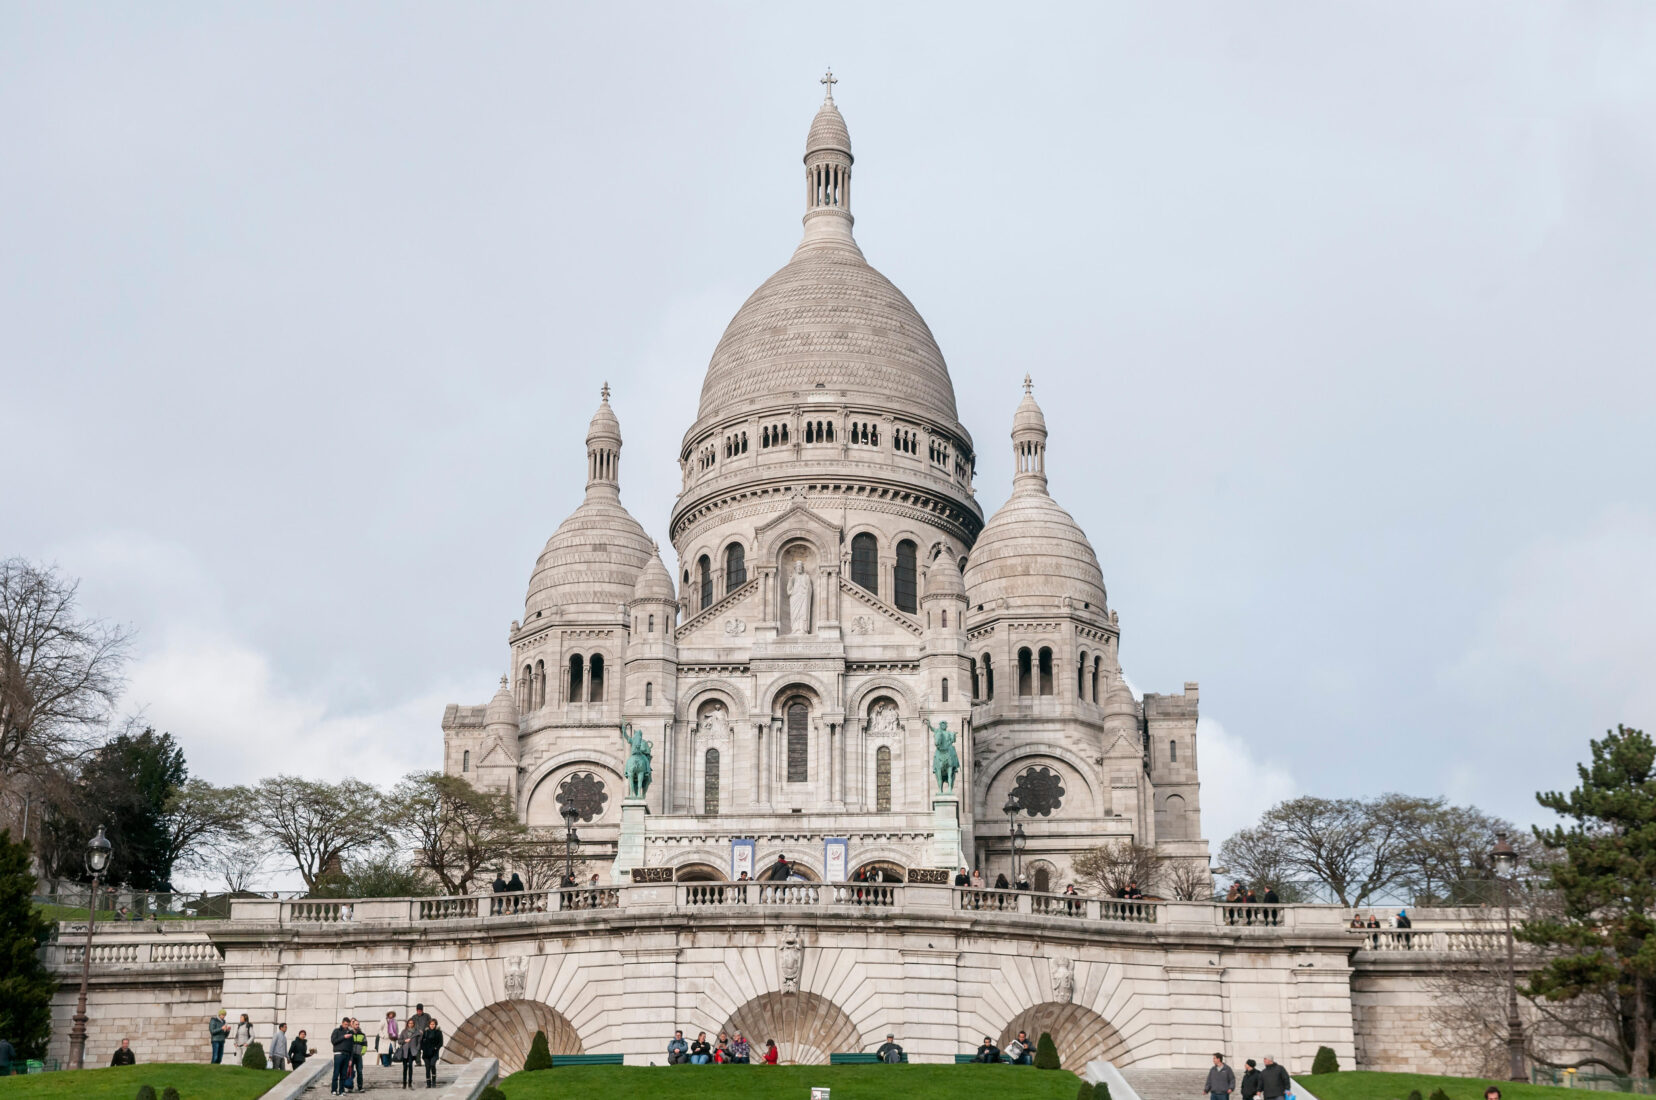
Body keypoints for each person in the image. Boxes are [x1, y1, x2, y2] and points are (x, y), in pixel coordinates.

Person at [330, 1016, 355, 1095]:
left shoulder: (350, 1033)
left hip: (347, 1055)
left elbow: (352, 1047)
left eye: (347, 1025)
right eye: (345, 1024)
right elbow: (333, 1041)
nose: (346, 1026)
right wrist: (343, 1037)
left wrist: (351, 1059)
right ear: (342, 1023)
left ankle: (342, 1091)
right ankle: (334, 1090)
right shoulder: (336, 1031)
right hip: (338, 1054)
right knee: (336, 1072)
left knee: (343, 1074)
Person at [420, 1018, 444, 1087]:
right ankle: (428, 1083)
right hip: (426, 1053)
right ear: (429, 1024)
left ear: (435, 1024)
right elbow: (421, 1042)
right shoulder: (426, 1032)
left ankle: (434, 1081)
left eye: (433, 1024)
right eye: (431, 1024)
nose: (432, 1025)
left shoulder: (438, 1032)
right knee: (427, 1068)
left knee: (432, 1065)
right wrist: (423, 1048)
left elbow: (441, 1043)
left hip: (434, 1052)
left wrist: (436, 1048)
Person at [396, 1024, 419, 1089]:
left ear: (414, 1024)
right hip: (405, 1052)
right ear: (407, 1024)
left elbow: (419, 1041)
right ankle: (404, 1084)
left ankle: (410, 1084)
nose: (410, 1024)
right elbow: (399, 1041)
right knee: (405, 1068)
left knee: (410, 1067)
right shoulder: (404, 1031)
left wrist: (417, 1048)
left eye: (412, 1023)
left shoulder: (416, 1032)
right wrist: (404, 1041)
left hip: (412, 1052)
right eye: (409, 1023)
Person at [351, 1018, 368, 1092]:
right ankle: (349, 1086)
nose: (357, 1026)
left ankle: (360, 1087)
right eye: (356, 1024)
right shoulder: (349, 1033)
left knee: (360, 1071)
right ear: (352, 1025)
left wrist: (362, 1052)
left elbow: (365, 1044)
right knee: (350, 1071)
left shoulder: (362, 1034)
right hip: (351, 1056)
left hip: (358, 1055)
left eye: (358, 1024)